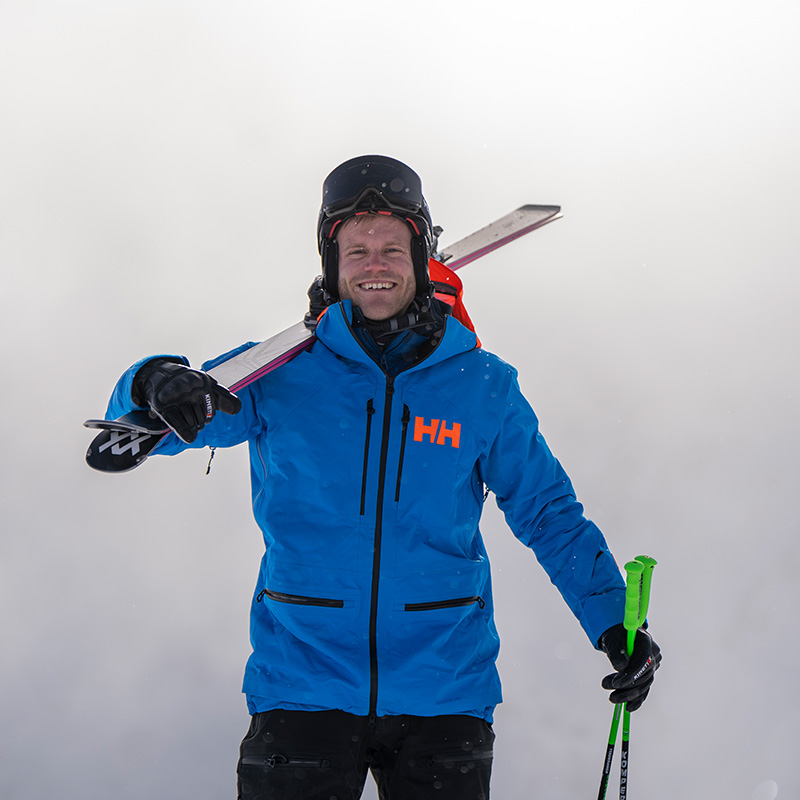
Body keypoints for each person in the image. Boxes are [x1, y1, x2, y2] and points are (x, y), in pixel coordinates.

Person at [103, 155, 661, 799]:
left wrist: (612, 621)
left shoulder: (481, 387)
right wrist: (153, 381)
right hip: (302, 685)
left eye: (392, 248)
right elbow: (140, 425)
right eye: (357, 250)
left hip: (444, 692)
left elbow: (548, 513)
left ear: (421, 259)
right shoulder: (278, 374)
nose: (375, 264)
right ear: (332, 264)